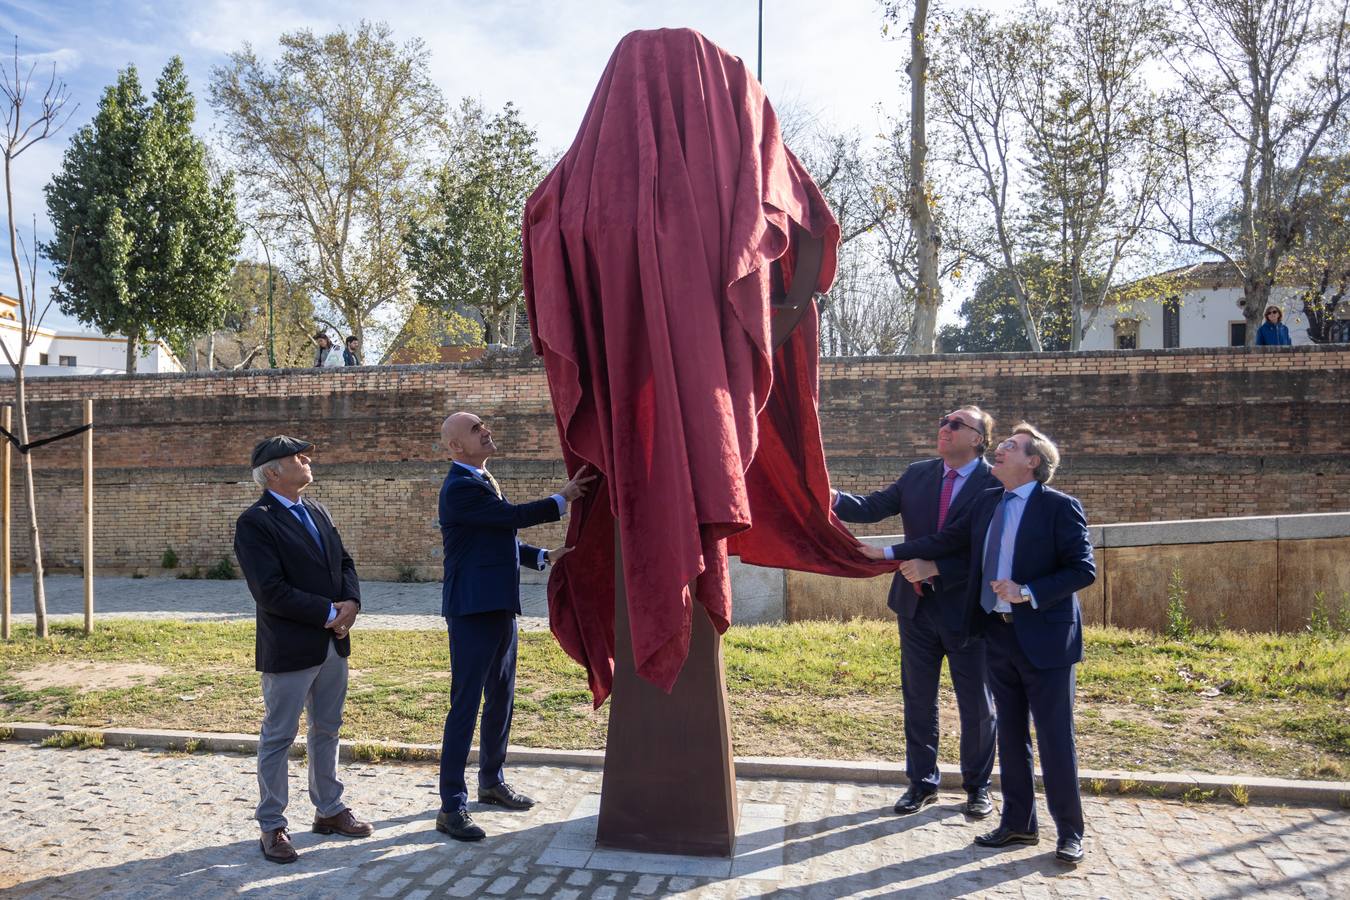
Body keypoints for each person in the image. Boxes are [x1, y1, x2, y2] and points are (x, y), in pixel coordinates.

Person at [865, 423, 1095, 865]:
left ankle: (1069, 831)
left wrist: (1027, 590)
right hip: (997, 632)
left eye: (1011, 446)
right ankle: (1018, 825)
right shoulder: (988, 501)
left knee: (1053, 738)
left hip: (1045, 639)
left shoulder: (1060, 508)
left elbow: (1083, 570)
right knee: (1010, 735)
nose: (1001, 451)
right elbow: (948, 542)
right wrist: (890, 553)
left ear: (1033, 462)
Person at [434, 412, 595, 841]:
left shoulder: (483, 480)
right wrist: (563, 499)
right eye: (474, 429)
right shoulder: (460, 487)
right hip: (471, 611)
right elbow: (510, 518)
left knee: (501, 699)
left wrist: (543, 557)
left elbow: (500, 536)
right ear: (455, 447)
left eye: (483, 424)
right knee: (465, 706)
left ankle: (491, 782)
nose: (485, 431)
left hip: (499, 607)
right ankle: (451, 807)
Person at [831, 407, 998, 819]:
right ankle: (922, 783)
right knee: (918, 699)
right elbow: (871, 507)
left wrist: (939, 567)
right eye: (944, 420)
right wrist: (825, 494)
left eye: (957, 424)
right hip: (915, 606)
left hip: (969, 612)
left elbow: (990, 551)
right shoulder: (918, 473)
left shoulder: (994, 482)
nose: (946, 427)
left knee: (976, 702)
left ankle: (978, 786)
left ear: (978, 438)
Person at [233, 435, 373, 864]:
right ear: (273, 471)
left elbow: (344, 562)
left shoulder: (318, 510)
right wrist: (330, 611)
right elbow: (270, 591)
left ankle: (329, 810)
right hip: (291, 646)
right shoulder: (255, 522)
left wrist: (351, 602)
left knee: (327, 729)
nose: (306, 459)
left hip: (333, 642)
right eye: (297, 456)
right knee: (279, 735)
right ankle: (271, 824)